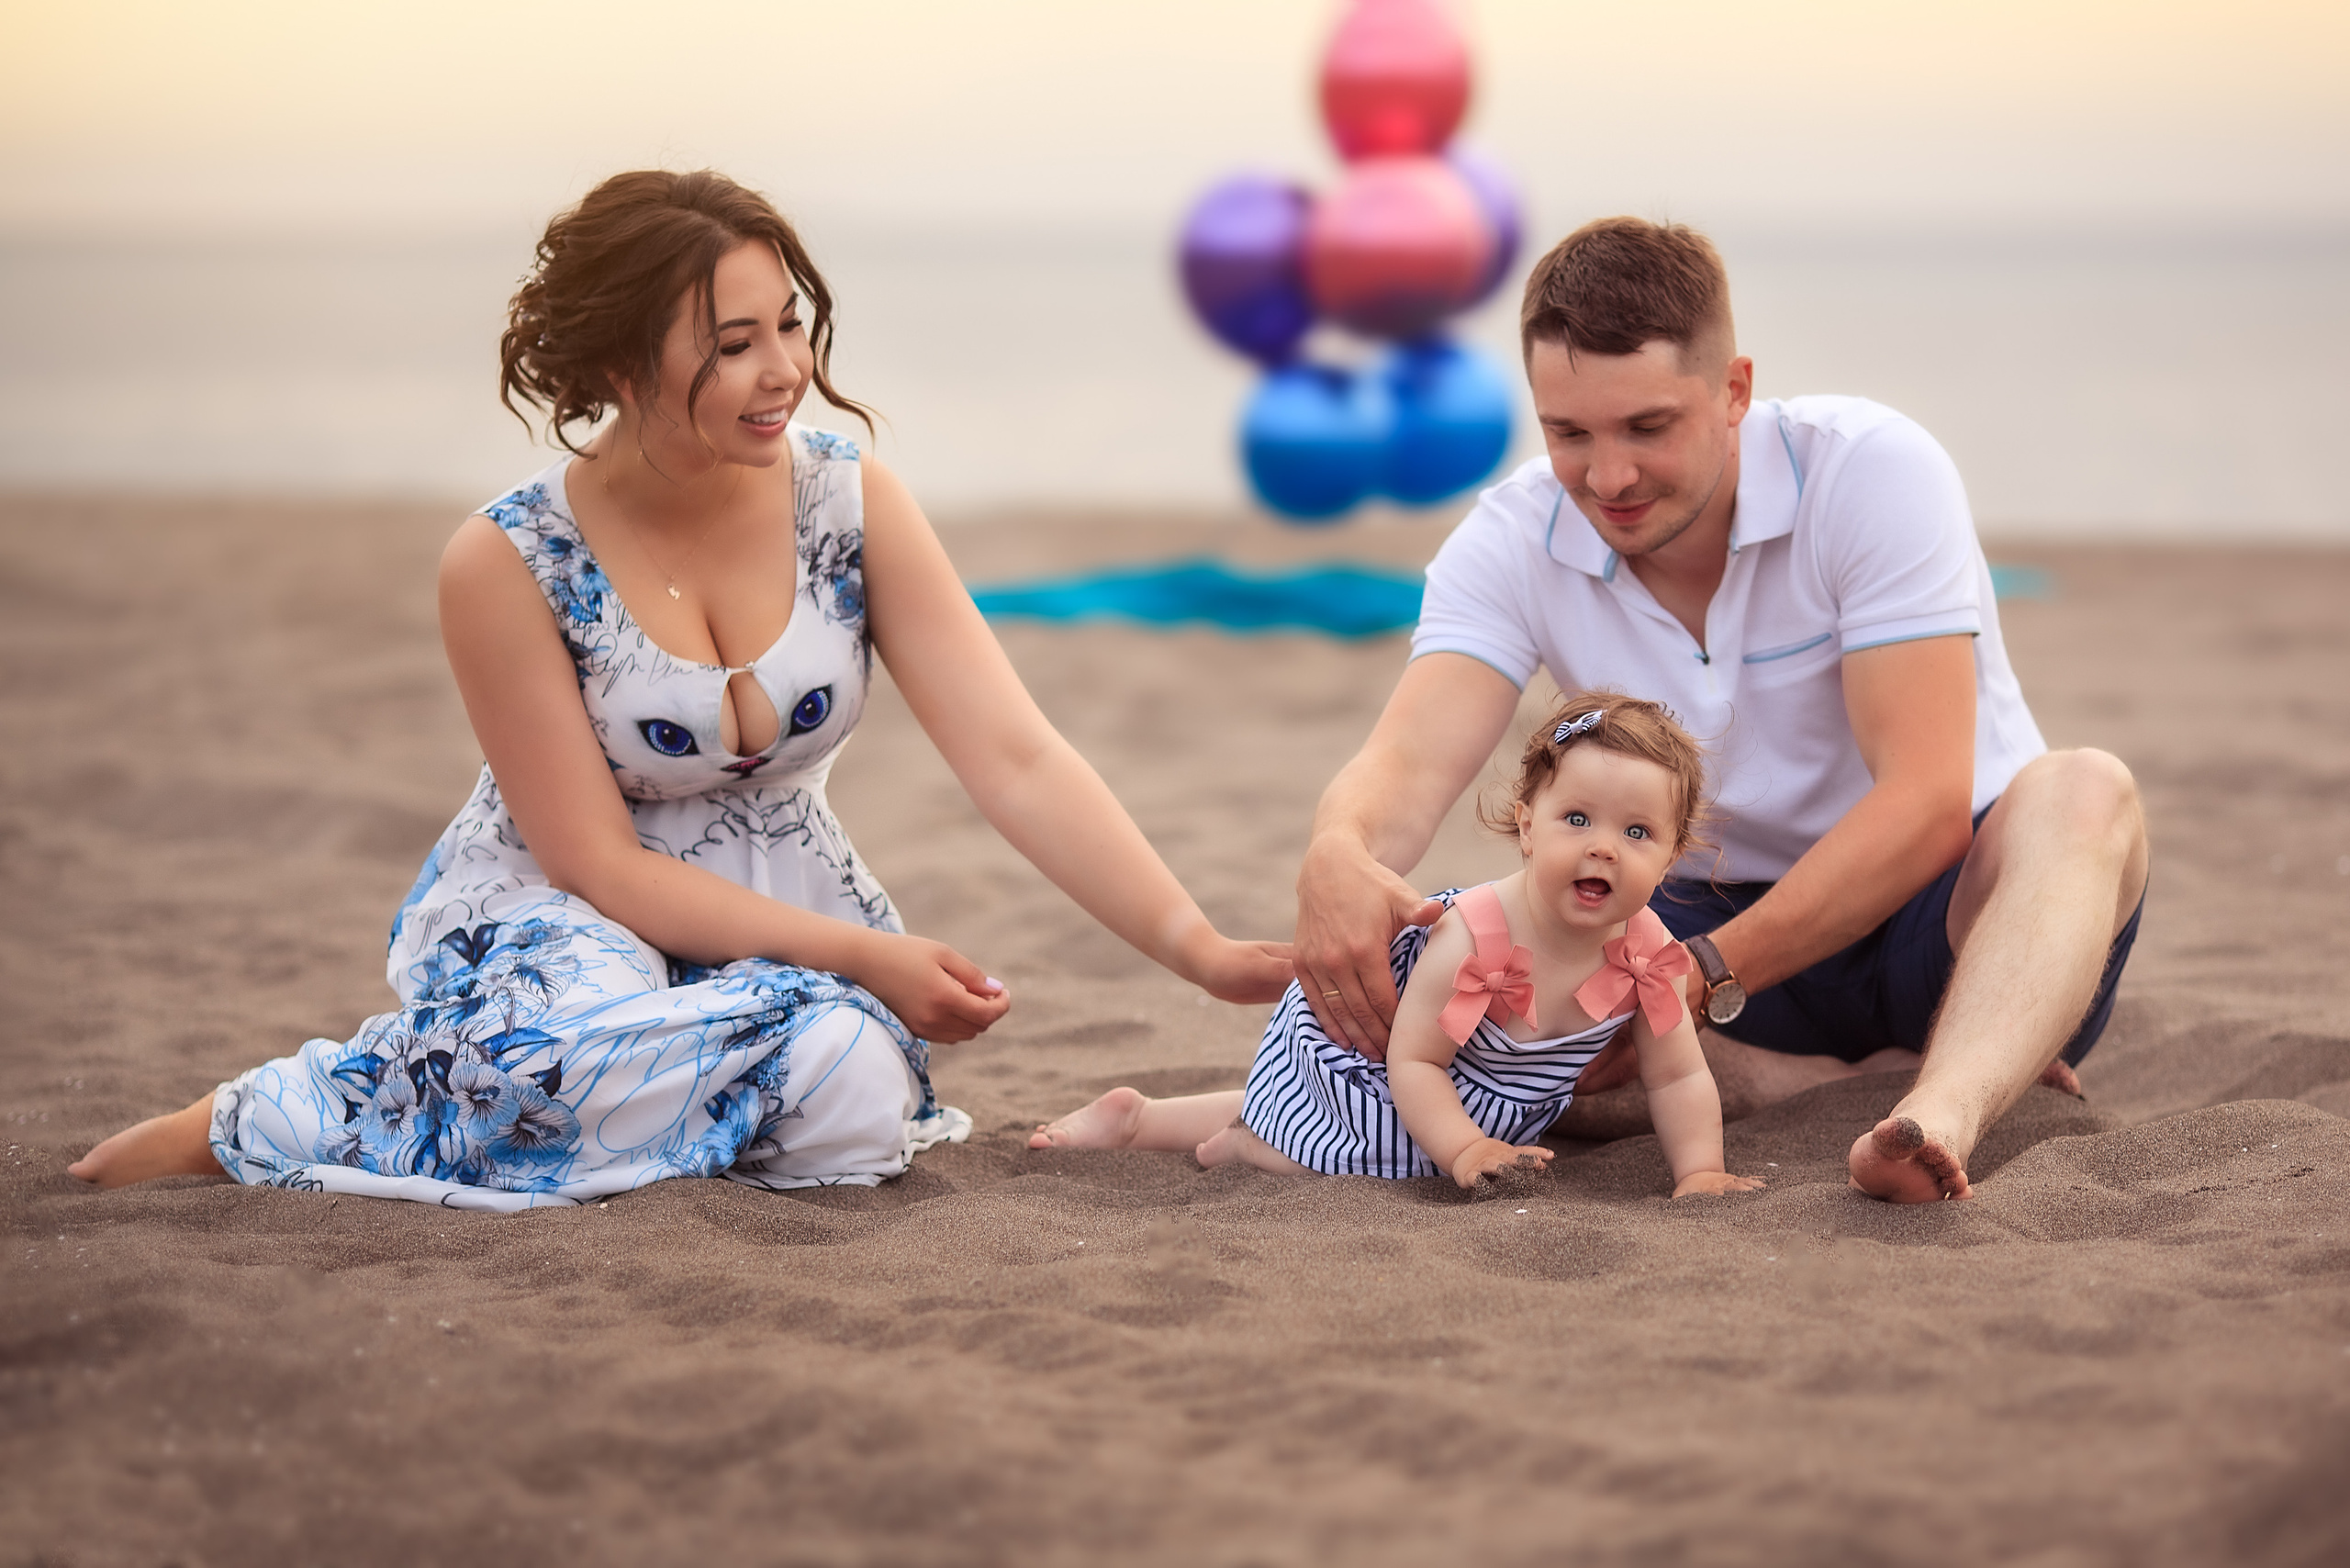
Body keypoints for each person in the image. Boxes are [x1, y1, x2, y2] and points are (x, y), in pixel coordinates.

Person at [70, 169, 1292, 1209]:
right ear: (622, 361)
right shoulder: (505, 560)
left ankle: (608, 1116)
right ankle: (294, 1109)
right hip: (570, 920)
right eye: (733, 344)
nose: (786, 373)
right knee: (572, 1058)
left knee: (857, 1109)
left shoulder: (846, 500)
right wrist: (861, 960)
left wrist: (1196, 948)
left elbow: (1015, 756)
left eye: (792, 326)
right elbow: (600, 865)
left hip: (781, 898)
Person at [1288, 218, 2148, 1204]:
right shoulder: (1511, 537)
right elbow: (1404, 765)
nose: (1606, 478)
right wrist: (1337, 848)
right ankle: (1836, 1084)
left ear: (1734, 391)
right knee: (1475, 990)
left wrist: (1695, 977)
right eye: (1569, 433)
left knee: (2085, 789)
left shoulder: (1869, 470)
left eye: (1646, 427)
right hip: (1702, 916)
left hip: (1952, 919)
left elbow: (1925, 804)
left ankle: (1938, 1111)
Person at [1032, 692, 1766, 1199]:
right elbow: (1411, 1062)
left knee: (1315, 1122)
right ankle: (1243, 1148)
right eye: (1578, 819)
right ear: (1527, 825)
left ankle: (1141, 1116)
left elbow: (1675, 1078)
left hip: (1481, 1104)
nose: (1603, 848)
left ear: (1672, 859)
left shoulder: (1651, 955)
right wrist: (1467, 1151)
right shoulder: (1471, 937)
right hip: (1384, 1062)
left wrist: (1699, 1171)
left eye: (1637, 833)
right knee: (1325, 1151)